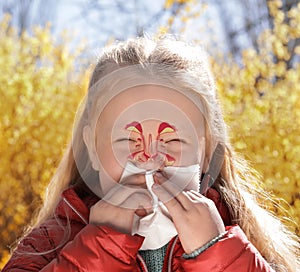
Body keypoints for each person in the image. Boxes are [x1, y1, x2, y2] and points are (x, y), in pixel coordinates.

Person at [2, 37, 299, 272]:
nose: (150, 158)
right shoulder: (53, 241)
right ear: (91, 148)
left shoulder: (245, 239)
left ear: (207, 151)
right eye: (127, 138)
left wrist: (217, 255)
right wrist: (101, 247)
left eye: (172, 139)